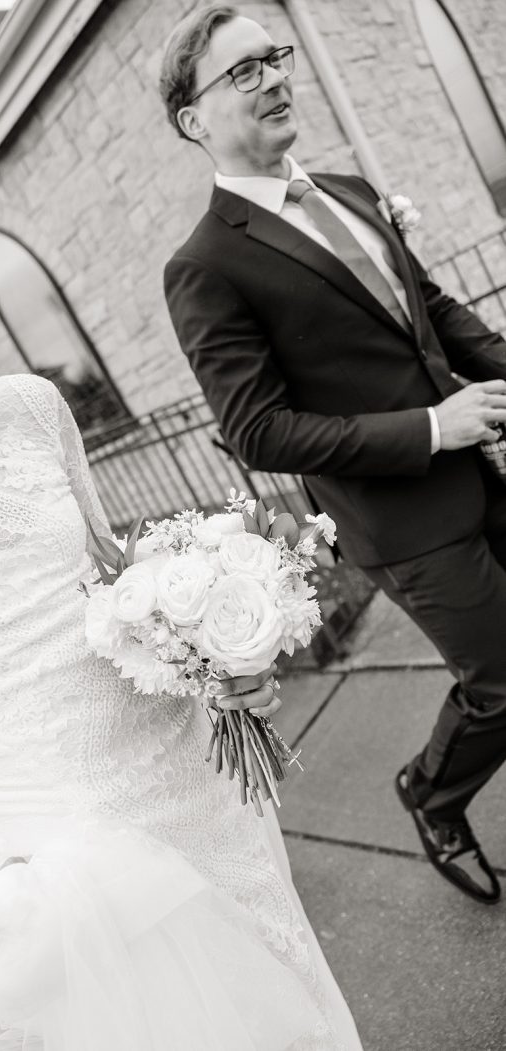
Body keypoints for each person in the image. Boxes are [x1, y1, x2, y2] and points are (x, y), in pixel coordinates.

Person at [0, 154, 363, 1050]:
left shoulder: (28, 408)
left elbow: (113, 585)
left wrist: (219, 664)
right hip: (49, 871)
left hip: (191, 790)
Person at [161, 5, 506, 906]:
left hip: (483, 468)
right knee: (501, 684)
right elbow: (257, 429)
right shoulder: (205, 265)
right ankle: (430, 793)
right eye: (242, 71)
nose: (274, 76)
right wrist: (434, 427)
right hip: (403, 520)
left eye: (272, 57)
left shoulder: (349, 190)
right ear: (193, 120)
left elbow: (430, 313)